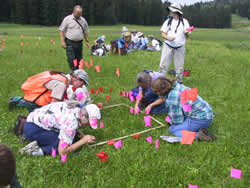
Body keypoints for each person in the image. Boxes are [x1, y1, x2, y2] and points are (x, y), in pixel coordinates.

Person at [19, 102, 101, 156]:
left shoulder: (75, 109)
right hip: (33, 128)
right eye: (89, 122)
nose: (89, 125)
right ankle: (32, 151)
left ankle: (31, 137)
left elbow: (67, 125)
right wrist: (83, 141)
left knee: (71, 138)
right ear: (83, 116)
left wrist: (83, 136)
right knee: (61, 145)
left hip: (32, 120)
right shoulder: (71, 122)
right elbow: (63, 152)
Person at [151, 77, 216, 141]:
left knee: (173, 129)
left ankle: (199, 136)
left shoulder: (173, 97)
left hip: (201, 119)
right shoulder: (177, 85)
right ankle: (198, 129)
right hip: (207, 113)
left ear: (160, 91)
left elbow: (177, 121)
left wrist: (170, 121)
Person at [9, 69, 89, 112]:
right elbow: (53, 107)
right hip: (34, 103)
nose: (82, 86)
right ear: (76, 79)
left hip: (32, 96)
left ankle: (19, 101)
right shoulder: (61, 84)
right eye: (82, 83)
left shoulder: (60, 76)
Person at [159, 3, 191, 83]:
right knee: (163, 65)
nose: (170, 12)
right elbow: (163, 33)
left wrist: (186, 32)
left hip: (180, 47)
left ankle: (178, 83)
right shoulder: (168, 21)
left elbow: (187, 36)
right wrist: (168, 37)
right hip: (168, 46)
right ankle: (160, 82)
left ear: (176, 12)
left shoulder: (185, 22)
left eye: (171, 10)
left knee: (179, 67)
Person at [59, 5, 91, 71]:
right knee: (71, 59)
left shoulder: (83, 20)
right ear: (73, 12)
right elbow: (61, 30)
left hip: (79, 43)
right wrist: (62, 42)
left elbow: (86, 32)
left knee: (79, 59)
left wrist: (87, 41)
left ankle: (78, 72)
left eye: (80, 13)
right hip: (70, 42)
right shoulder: (67, 19)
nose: (79, 15)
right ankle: (74, 72)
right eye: (78, 13)